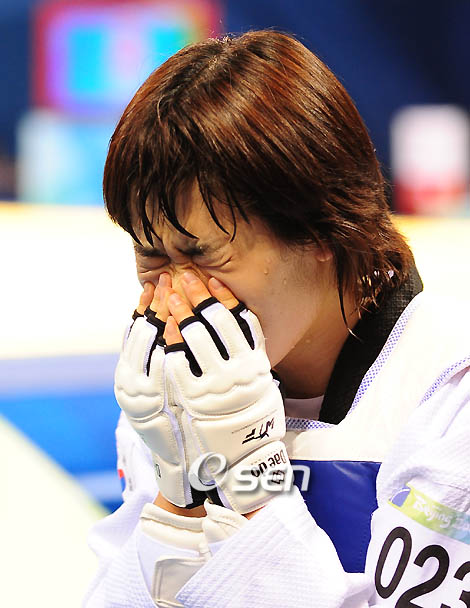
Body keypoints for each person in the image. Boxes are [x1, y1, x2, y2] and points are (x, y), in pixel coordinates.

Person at [84, 30, 470, 607]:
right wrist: (179, 503)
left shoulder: (450, 393)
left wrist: (251, 480)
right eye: (150, 255)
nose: (176, 297)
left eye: (204, 254)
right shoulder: (172, 396)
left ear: (322, 230)